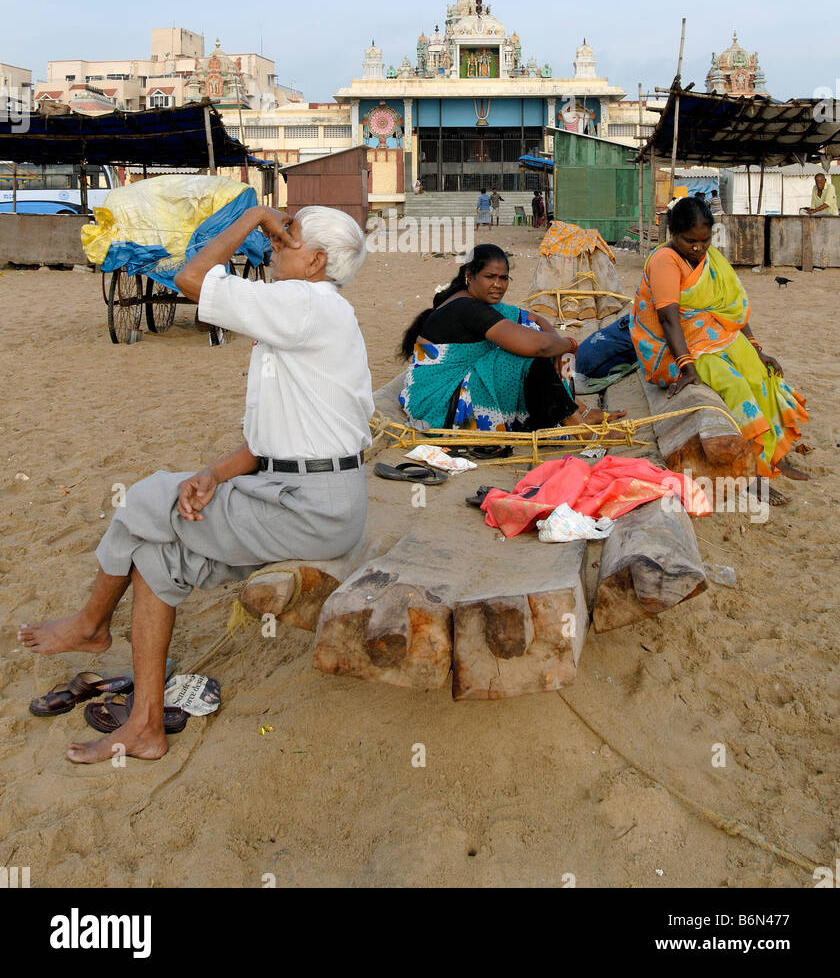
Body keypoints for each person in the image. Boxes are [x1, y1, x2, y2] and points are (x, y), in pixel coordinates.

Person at [18, 205, 373, 764]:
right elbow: (267, 447)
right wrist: (210, 474)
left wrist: (256, 213)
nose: (276, 244)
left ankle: (90, 625)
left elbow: (190, 277)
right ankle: (145, 727)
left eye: (288, 237)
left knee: (146, 496)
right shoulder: (300, 314)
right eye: (277, 233)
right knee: (158, 559)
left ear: (317, 261)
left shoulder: (306, 303)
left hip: (310, 508)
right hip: (296, 494)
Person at [630, 196, 808, 481]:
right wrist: (687, 368)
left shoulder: (708, 257)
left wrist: (755, 348)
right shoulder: (666, 260)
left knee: (761, 374)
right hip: (674, 348)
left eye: (705, 239)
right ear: (673, 234)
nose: (699, 248)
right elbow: (667, 319)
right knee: (735, 386)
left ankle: (774, 456)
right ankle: (751, 470)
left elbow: (730, 306)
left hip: (712, 334)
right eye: (690, 241)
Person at [399, 244, 624, 432]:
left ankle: (579, 411)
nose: (498, 284)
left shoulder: (474, 300)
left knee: (536, 344)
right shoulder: (467, 308)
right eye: (490, 277)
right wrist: (569, 345)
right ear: (469, 276)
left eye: (503, 278)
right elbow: (540, 347)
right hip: (441, 404)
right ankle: (577, 425)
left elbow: (533, 318)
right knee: (527, 354)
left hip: (453, 391)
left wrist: (554, 342)